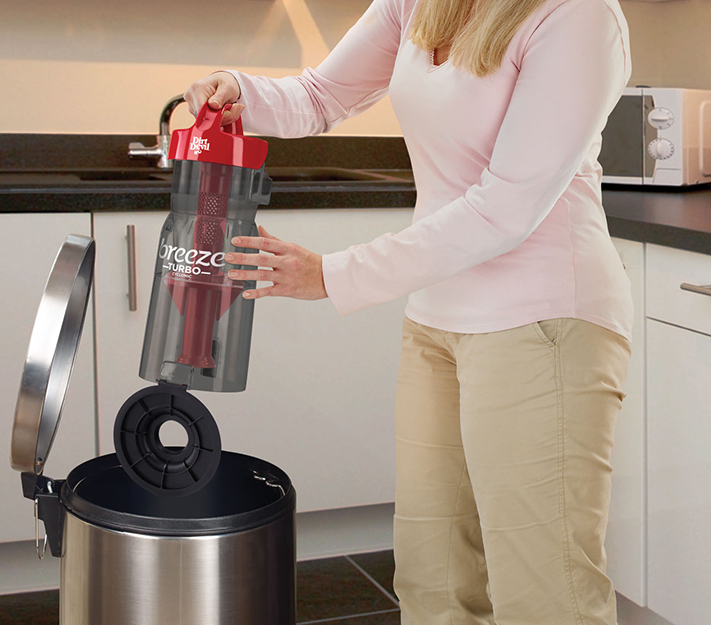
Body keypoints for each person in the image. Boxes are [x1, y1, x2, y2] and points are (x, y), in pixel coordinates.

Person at [184, 0, 633, 622]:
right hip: (438, 318)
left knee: (545, 590)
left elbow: (505, 207)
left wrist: (333, 274)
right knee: (433, 580)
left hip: (544, 320)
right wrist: (241, 92)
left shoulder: (578, 16)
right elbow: (321, 95)